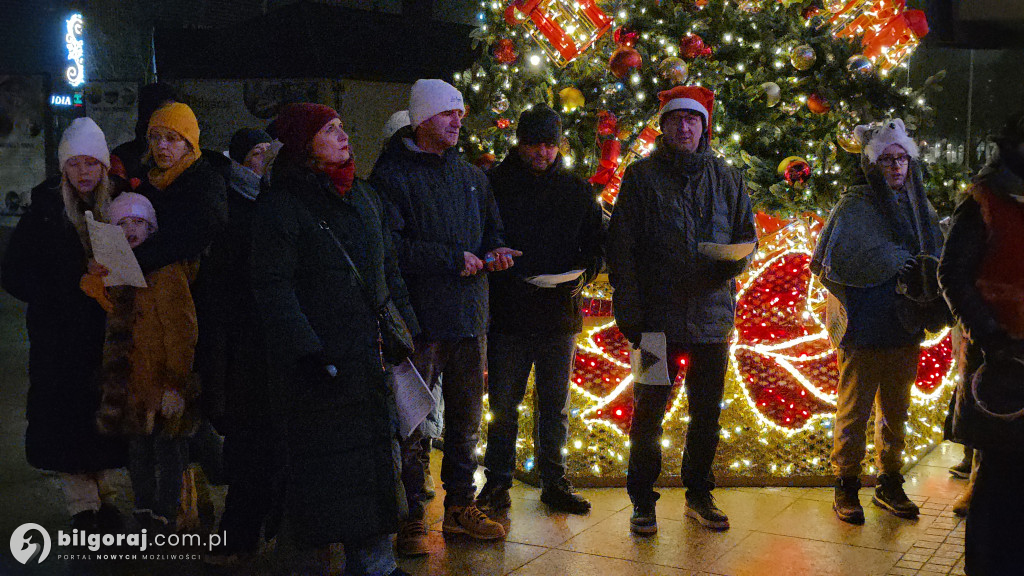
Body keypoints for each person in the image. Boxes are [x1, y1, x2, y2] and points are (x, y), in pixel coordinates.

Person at [251, 103, 417, 576]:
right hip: (319, 369)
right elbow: (273, 288)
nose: (343, 135)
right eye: (330, 130)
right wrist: (307, 352)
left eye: (343, 126)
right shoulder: (283, 205)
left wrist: (408, 328)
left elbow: (386, 271)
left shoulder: (363, 196)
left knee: (374, 469)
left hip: (370, 359)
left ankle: (375, 565)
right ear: (305, 144)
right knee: (321, 479)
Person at [370, 78, 520, 555]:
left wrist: (495, 252)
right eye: (446, 113)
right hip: (420, 319)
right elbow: (390, 249)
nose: (458, 121)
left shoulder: (473, 178)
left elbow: (492, 228)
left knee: (465, 421)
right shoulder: (391, 178)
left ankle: (459, 507)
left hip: (469, 316)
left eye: (460, 113)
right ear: (421, 120)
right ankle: (412, 514)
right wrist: (450, 259)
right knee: (412, 422)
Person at [607, 85, 756, 534]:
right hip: (654, 321)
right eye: (677, 119)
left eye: (693, 119)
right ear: (664, 126)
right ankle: (643, 501)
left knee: (706, 412)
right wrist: (629, 310)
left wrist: (732, 261)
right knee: (648, 411)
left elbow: (746, 238)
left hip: (712, 320)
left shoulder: (728, 178)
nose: (685, 126)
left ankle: (699, 493)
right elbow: (622, 247)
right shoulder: (640, 177)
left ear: (704, 127)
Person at [811, 119, 945, 525]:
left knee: (896, 410)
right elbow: (833, 262)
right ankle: (846, 484)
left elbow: (936, 259)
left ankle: (889, 482)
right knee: (854, 408)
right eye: (886, 160)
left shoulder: (922, 210)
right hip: (864, 325)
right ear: (872, 164)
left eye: (901, 159)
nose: (896, 167)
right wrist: (890, 261)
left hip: (905, 324)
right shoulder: (856, 206)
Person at [477, 104, 605, 517]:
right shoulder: (493, 184)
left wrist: (583, 276)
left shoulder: (576, 189)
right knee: (502, 404)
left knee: (555, 404)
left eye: (550, 145)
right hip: (508, 313)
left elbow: (596, 245)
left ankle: (554, 480)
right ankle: (497, 482)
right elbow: (480, 238)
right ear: (520, 142)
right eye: (534, 144)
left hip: (558, 314)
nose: (542, 153)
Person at [1, 117, 127, 532]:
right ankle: (81, 504)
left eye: (93, 163)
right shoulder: (43, 212)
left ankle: (104, 496)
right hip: (59, 341)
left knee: (103, 419)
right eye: (76, 164)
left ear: (105, 167)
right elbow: (14, 275)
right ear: (63, 168)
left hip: (106, 337)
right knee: (65, 420)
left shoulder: (121, 206)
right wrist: (71, 282)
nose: (84, 172)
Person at [938, 111, 1024, 575]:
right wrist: (992, 338)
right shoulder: (985, 198)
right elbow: (953, 275)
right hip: (1004, 367)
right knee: (998, 488)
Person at [85, 191, 200, 532]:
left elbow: (181, 330)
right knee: (139, 454)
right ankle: (145, 509)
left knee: (168, 452)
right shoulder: (120, 271)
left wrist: (176, 384)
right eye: (123, 223)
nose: (132, 228)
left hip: (163, 384)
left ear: (152, 229)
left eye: (139, 222)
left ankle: (168, 512)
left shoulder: (165, 271)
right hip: (134, 388)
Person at [203, 128, 284, 565]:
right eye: (255, 154)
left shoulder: (274, 202)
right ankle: (239, 534)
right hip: (244, 342)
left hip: (269, 340)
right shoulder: (233, 207)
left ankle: (257, 529)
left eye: (266, 154)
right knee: (250, 443)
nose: (262, 162)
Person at [111, 82, 178, 182]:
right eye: (163, 114)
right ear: (148, 116)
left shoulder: (186, 156)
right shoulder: (123, 157)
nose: (171, 120)